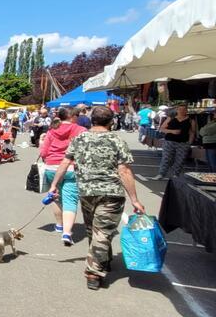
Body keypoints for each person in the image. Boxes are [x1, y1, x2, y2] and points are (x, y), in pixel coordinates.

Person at [48, 106, 145, 290]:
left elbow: (65, 162)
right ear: (111, 121)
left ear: (92, 120)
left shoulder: (79, 138)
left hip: (86, 191)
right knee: (101, 231)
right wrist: (134, 199)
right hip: (111, 193)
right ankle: (93, 272)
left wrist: (54, 185)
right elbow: (123, 170)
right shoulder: (116, 139)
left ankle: (104, 260)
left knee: (96, 230)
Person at [40, 107, 86, 246]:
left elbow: (43, 152)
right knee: (70, 200)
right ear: (72, 117)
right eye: (76, 115)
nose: (78, 117)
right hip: (71, 167)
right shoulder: (80, 130)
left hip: (51, 166)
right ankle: (67, 232)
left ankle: (59, 225)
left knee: (56, 197)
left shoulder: (52, 130)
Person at [152, 103, 196, 180]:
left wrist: (189, 143)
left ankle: (176, 175)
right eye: (180, 109)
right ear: (177, 110)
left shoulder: (191, 120)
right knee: (166, 158)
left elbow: (192, 132)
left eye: (183, 110)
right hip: (169, 141)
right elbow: (162, 128)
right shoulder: (171, 118)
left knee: (180, 160)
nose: (181, 111)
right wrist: (172, 131)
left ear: (186, 111)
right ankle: (161, 174)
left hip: (183, 142)